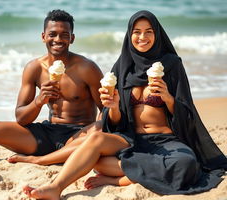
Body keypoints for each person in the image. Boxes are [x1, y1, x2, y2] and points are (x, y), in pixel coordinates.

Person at [22, 10, 227, 199]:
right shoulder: (123, 66)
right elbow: (115, 122)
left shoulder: (172, 64)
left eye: (148, 31)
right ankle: (55, 187)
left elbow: (187, 113)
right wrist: (113, 106)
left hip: (165, 141)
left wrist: (167, 98)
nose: (142, 37)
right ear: (130, 35)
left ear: (157, 35)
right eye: (136, 32)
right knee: (95, 143)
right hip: (130, 138)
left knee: (186, 163)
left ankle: (121, 179)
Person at [0, 9, 103, 164]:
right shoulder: (34, 68)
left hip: (79, 135)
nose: (58, 39)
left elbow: (106, 110)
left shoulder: (87, 68)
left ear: (72, 38)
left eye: (64, 35)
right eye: (52, 34)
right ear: (43, 37)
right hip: (46, 134)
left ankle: (39, 160)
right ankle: (49, 156)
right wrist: (39, 101)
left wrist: (94, 129)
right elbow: (21, 118)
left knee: (100, 128)